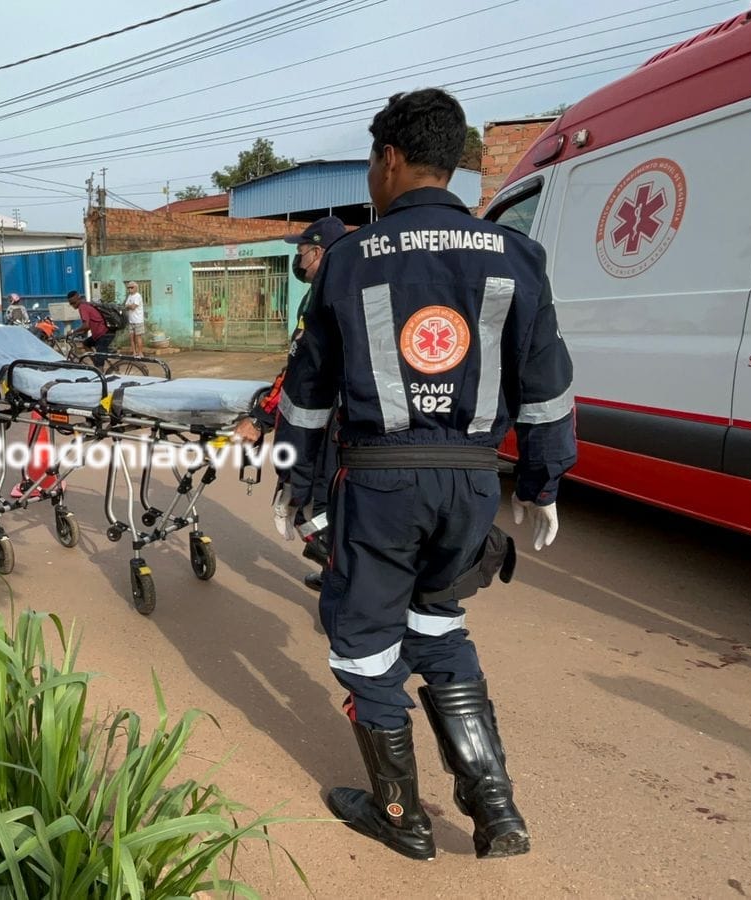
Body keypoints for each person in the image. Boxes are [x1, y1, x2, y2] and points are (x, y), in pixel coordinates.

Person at [272, 89, 575, 863]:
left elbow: (308, 394)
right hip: (472, 486)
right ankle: (496, 808)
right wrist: (542, 485)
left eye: (373, 163)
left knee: (366, 642)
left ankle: (401, 815)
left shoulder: (346, 260)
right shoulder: (517, 254)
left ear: (391, 159)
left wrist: (294, 483)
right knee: (439, 622)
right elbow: (545, 382)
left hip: (380, 483)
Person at [233, 215, 349, 593]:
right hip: (334, 424)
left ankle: (342, 584)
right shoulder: (339, 290)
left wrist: (259, 418)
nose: (298, 262)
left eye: (300, 254)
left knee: (315, 509)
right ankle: (337, 574)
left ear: (317, 253)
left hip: (323, 429)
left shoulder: (324, 298)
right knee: (331, 508)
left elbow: (300, 370)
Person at [66, 290, 114, 369]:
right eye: (70, 304)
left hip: (104, 334)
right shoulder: (86, 304)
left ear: (78, 299)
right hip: (102, 333)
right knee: (86, 343)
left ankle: (99, 371)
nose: (72, 305)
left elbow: (86, 325)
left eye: (73, 303)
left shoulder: (82, 307)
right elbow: (88, 326)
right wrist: (81, 333)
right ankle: (96, 363)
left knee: (99, 364)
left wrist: (73, 332)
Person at [123, 281, 146, 356]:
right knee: (131, 337)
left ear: (136, 288)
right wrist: (129, 305)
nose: (130, 289)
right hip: (131, 320)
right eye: (128, 287)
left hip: (138, 320)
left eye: (131, 287)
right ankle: (134, 352)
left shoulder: (138, 296)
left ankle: (140, 353)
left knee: (138, 337)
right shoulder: (129, 296)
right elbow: (125, 305)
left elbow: (133, 307)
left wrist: (128, 306)